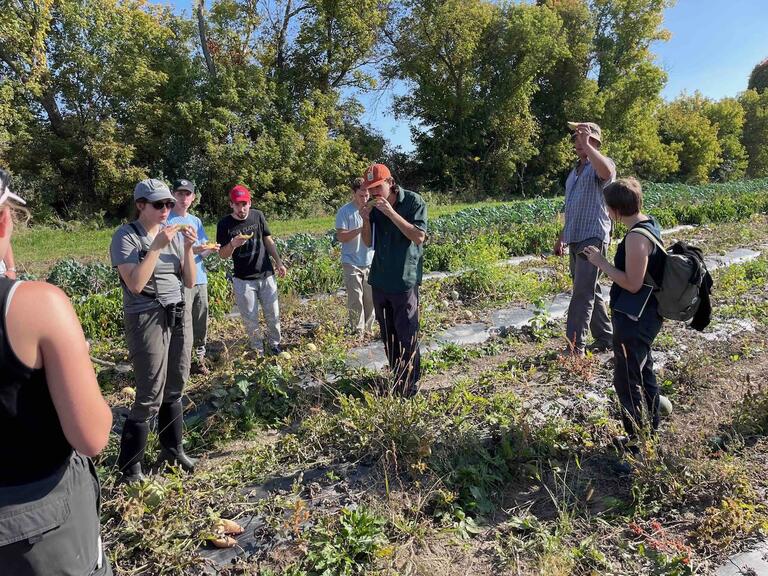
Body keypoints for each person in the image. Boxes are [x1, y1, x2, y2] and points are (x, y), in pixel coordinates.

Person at [0, 169, 114, 575]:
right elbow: (92, 436)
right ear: (4, 219)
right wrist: (78, 364)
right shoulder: (35, 306)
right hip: (33, 520)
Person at [110, 179, 198, 483]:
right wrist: (157, 248)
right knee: (149, 392)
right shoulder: (126, 237)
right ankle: (130, 467)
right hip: (146, 317)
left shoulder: (172, 234)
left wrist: (187, 248)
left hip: (177, 312)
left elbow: (188, 280)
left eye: (169, 204)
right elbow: (135, 284)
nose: (165, 210)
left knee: (176, 384)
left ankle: (172, 450)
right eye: (158, 204)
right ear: (141, 206)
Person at [582, 177, 665, 453]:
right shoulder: (649, 225)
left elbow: (632, 283)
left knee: (626, 378)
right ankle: (650, 429)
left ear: (616, 210)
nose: (606, 212)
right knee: (644, 370)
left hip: (636, 317)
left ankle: (636, 439)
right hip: (645, 314)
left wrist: (601, 263)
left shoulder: (636, 238)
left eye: (608, 207)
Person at [360, 163, 427, 396]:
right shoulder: (374, 207)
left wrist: (390, 212)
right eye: (370, 189)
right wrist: (366, 220)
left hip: (404, 279)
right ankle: (397, 376)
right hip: (380, 279)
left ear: (390, 183)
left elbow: (418, 236)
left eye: (378, 187)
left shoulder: (413, 202)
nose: (374, 193)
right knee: (388, 334)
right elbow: (368, 242)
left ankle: (411, 382)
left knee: (407, 333)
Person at [554, 121, 616, 356]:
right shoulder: (574, 173)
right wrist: (562, 237)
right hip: (575, 236)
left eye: (585, 137)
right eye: (576, 138)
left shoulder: (602, 164)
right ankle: (606, 337)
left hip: (593, 236)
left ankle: (574, 347)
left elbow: (607, 173)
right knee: (589, 289)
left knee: (582, 292)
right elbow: (572, 207)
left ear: (596, 141)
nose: (579, 141)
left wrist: (589, 146)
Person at [217, 184, 287, 355]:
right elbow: (223, 255)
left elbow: (268, 241)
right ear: (231, 205)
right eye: (237, 204)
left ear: (250, 202)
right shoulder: (224, 224)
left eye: (244, 204)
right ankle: (258, 350)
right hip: (243, 280)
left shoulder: (257, 216)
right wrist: (233, 244)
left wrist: (278, 262)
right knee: (250, 320)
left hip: (266, 274)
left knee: (273, 314)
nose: (241, 208)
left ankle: (275, 345)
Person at [168, 179, 219, 376]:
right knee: (184, 323)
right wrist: (197, 247)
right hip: (180, 280)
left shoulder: (195, 221)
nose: (183, 198)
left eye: (187, 194)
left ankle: (199, 359)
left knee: (200, 320)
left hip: (200, 278)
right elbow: (176, 250)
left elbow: (201, 252)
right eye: (179, 193)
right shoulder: (168, 221)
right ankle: (182, 363)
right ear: (173, 195)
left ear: (193, 198)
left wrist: (210, 249)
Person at [336, 177, 375, 336]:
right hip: (351, 261)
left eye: (367, 195)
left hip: (369, 260)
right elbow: (341, 236)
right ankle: (356, 331)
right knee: (355, 299)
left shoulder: (373, 209)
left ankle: (369, 329)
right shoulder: (345, 211)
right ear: (354, 193)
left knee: (370, 298)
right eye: (361, 195)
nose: (365, 198)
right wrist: (362, 227)